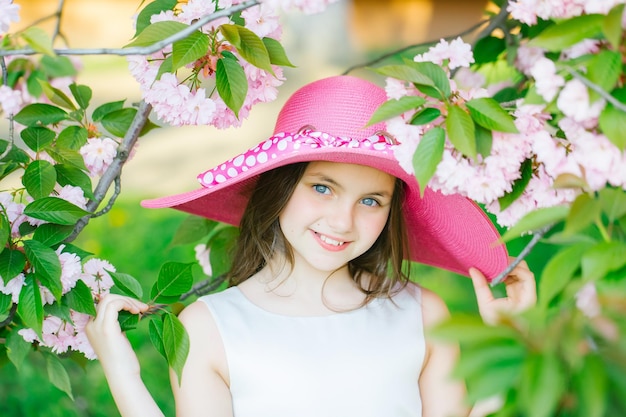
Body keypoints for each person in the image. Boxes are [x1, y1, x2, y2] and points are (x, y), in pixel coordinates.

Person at [86, 75, 536, 417]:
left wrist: (508, 344)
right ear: (279, 188)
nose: (343, 221)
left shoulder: (421, 315)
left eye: (371, 200)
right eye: (322, 188)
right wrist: (124, 376)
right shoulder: (211, 328)